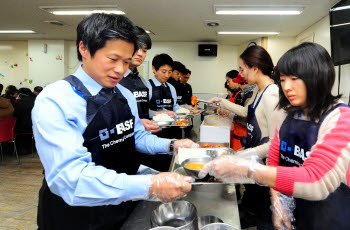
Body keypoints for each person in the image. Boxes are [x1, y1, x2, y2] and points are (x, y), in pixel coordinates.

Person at [33, 13, 197, 230]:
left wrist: (172, 145)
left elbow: (135, 136)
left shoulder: (124, 94)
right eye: (113, 59)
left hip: (121, 205)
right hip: (76, 215)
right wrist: (149, 185)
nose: (120, 69)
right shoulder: (57, 99)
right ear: (84, 48)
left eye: (126, 61)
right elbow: (71, 179)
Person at [200, 42, 350, 230]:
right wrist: (277, 200)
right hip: (293, 214)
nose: (286, 87)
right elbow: (274, 157)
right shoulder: (291, 113)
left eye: (294, 79)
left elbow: (317, 180)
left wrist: (248, 168)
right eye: (283, 79)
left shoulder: (340, 118)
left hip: (328, 219)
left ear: (318, 76)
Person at [209, 45, 282, 229]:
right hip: (256, 162)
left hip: (267, 167)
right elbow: (247, 112)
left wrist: (242, 156)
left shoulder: (271, 94)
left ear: (255, 68)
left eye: (242, 69)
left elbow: (275, 142)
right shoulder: (259, 90)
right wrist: (223, 102)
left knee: (265, 219)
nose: (241, 75)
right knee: (257, 211)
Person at [119, 26, 160, 133]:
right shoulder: (113, 80)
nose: (140, 54)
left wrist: (157, 114)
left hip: (143, 139)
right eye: (136, 48)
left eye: (144, 50)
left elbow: (144, 110)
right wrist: (135, 123)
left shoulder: (143, 82)